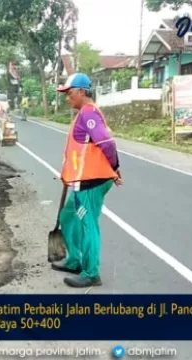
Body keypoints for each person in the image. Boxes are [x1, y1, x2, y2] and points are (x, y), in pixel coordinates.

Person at [50, 73, 122, 288]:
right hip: (82, 179)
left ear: (82, 92)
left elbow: (107, 142)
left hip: (92, 181)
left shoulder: (89, 114)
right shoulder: (83, 113)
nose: (66, 97)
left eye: (69, 93)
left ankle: (91, 272)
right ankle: (74, 261)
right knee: (68, 216)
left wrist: (116, 168)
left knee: (88, 224)